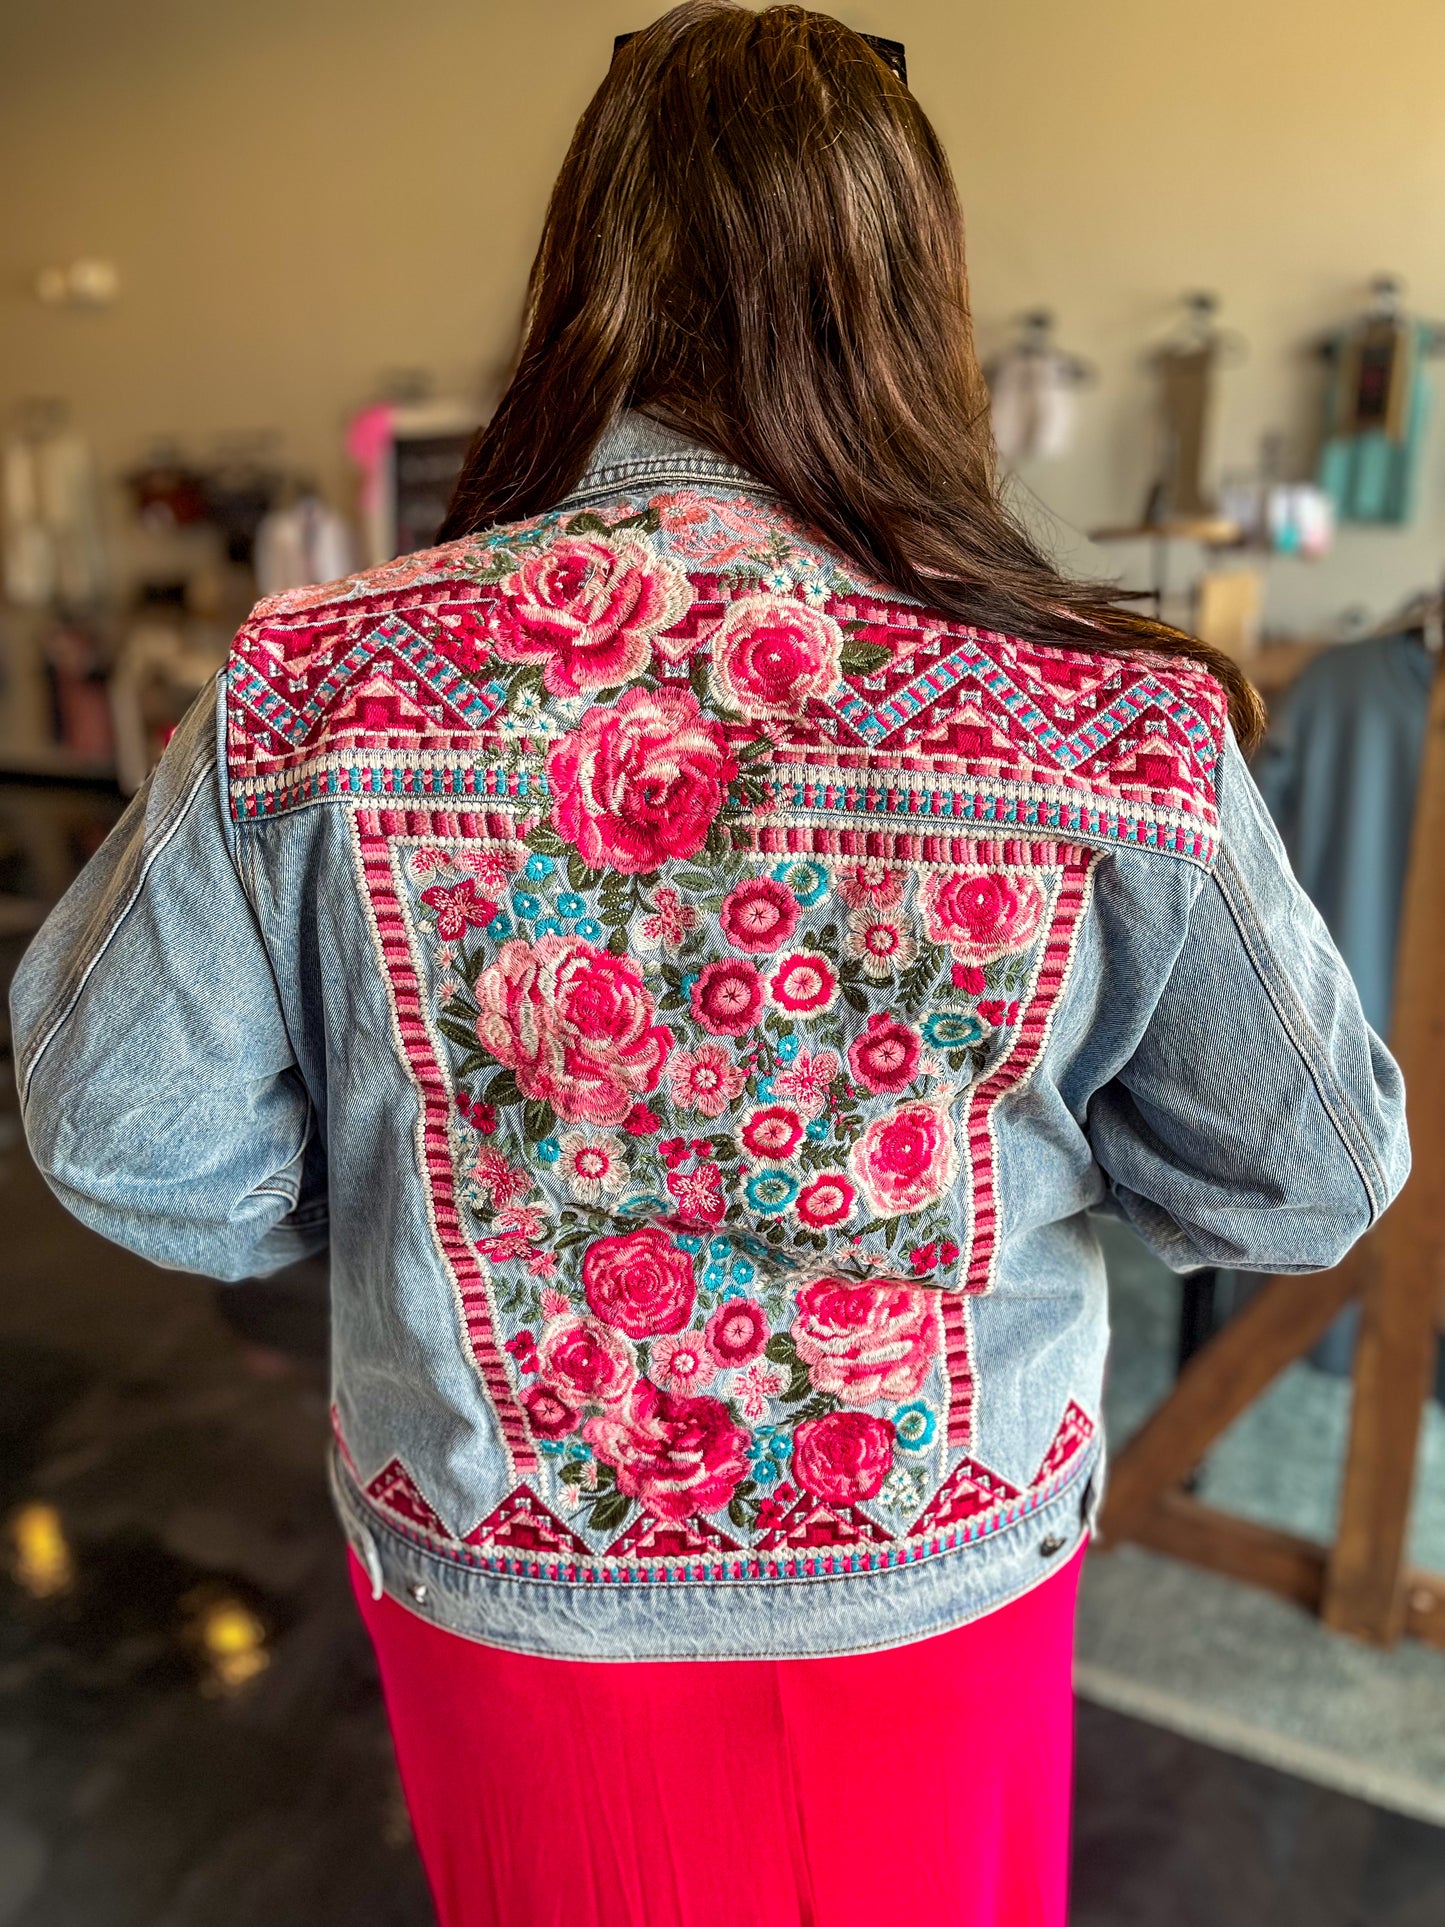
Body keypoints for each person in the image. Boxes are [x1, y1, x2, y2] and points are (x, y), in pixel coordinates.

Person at [9, 7, 1408, 1923]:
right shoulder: (1096, 717)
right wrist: (1041, 1184)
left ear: (580, 261)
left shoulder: (322, 685)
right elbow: (1311, 1167)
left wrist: (400, 1197)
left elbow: (119, 1128)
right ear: (913, 290)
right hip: (932, 1576)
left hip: (508, 1584)